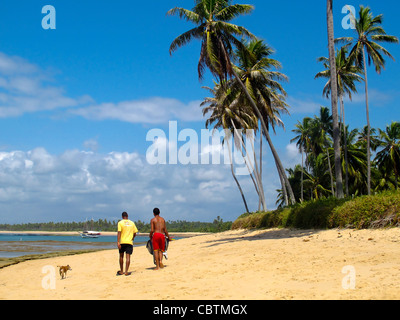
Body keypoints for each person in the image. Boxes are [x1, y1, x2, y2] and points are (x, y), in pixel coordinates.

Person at [117, 212, 138, 276]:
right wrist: (132, 238)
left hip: (122, 242)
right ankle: (126, 271)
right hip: (129, 242)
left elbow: (119, 233)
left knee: (121, 256)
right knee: (128, 257)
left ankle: (121, 271)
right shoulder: (132, 223)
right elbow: (135, 233)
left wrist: (118, 242)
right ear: (127, 216)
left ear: (122, 216)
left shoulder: (120, 223)